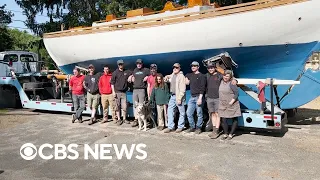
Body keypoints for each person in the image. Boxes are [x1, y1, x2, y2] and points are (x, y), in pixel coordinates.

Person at [206, 62, 238, 139]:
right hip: (209, 98)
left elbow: (227, 76)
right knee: (212, 114)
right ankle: (214, 130)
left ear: (215, 68)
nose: (211, 69)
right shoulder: (206, 76)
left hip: (217, 98)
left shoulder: (219, 75)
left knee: (218, 114)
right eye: (209, 68)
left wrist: (234, 79)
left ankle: (217, 131)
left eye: (212, 67)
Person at [218, 70, 241, 140]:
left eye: (227, 76)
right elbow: (216, 73)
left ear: (230, 77)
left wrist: (232, 101)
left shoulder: (232, 83)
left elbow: (237, 93)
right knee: (223, 119)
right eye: (224, 75)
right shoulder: (221, 81)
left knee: (234, 118)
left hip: (232, 103)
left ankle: (231, 134)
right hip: (223, 103)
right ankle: (225, 133)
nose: (225, 77)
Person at [163, 63, 186, 133]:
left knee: (182, 112)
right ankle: (170, 126)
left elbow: (183, 88)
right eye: (174, 68)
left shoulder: (181, 76)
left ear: (179, 68)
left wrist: (180, 98)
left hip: (178, 96)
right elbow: (169, 77)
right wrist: (166, 76)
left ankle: (180, 126)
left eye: (176, 67)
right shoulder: (173, 75)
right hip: (172, 96)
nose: (175, 69)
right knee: (170, 111)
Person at [185, 61, 206, 134]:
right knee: (188, 113)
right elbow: (186, 81)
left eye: (195, 66)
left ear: (198, 67)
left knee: (199, 113)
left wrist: (200, 98)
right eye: (192, 66)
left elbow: (202, 88)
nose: (193, 67)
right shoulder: (190, 75)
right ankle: (192, 126)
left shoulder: (202, 76)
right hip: (192, 97)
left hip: (198, 97)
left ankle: (199, 128)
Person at [128, 59, 150, 127]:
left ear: (142, 64)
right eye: (137, 63)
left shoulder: (146, 70)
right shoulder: (135, 70)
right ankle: (137, 120)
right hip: (135, 90)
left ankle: (144, 120)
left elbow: (152, 75)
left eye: (140, 63)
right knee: (135, 105)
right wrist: (131, 76)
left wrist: (148, 76)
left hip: (142, 89)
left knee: (141, 105)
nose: (138, 64)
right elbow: (132, 75)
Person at [111, 60, 132, 126]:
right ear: (118, 65)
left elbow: (133, 73)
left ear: (123, 64)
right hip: (117, 92)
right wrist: (113, 92)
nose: (121, 65)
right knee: (117, 107)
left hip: (124, 92)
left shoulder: (127, 71)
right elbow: (112, 83)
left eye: (122, 64)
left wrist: (131, 76)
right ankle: (119, 119)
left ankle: (124, 118)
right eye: (119, 64)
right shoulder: (115, 73)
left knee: (124, 106)